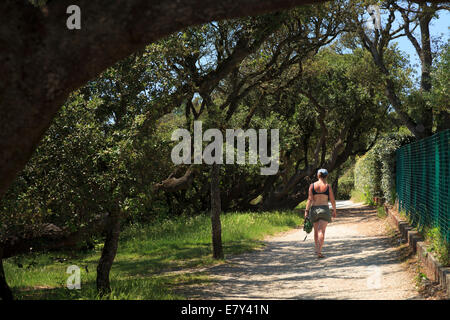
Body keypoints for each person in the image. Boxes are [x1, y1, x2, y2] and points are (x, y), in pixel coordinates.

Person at [304, 169, 336, 259]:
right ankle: (319, 251)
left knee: (316, 231)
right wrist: (334, 210)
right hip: (325, 210)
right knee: (321, 231)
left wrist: (306, 211)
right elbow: (332, 200)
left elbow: (309, 199)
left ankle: (316, 249)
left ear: (318, 176)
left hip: (314, 209)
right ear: (326, 176)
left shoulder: (312, 186)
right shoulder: (328, 186)